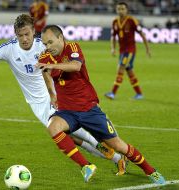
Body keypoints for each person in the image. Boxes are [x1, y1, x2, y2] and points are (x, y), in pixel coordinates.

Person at [0, 14, 127, 176]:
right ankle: (115, 157)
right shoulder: (8, 49)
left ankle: (112, 158)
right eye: (20, 35)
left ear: (33, 32)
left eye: (27, 34)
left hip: (56, 97)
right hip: (37, 105)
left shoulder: (43, 45)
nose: (24, 39)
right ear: (16, 35)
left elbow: (66, 55)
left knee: (78, 134)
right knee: (74, 138)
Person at [36, 25, 166, 184]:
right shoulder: (45, 57)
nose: (48, 47)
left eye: (50, 42)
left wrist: (52, 66)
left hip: (88, 109)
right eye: (45, 44)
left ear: (60, 38)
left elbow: (76, 66)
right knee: (53, 127)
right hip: (67, 111)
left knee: (119, 146)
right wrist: (51, 94)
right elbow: (45, 73)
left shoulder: (72, 47)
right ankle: (86, 166)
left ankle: (151, 171)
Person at [104, 2, 151, 100]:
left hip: (130, 50)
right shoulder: (115, 22)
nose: (120, 11)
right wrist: (112, 48)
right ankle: (139, 94)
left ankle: (113, 93)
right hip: (122, 51)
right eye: (119, 9)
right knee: (129, 71)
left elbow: (142, 34)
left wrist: (147, 49)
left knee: (121, 67)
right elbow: (113, 37)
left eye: (122, 9)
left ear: (127, 10)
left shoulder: (132, 20)